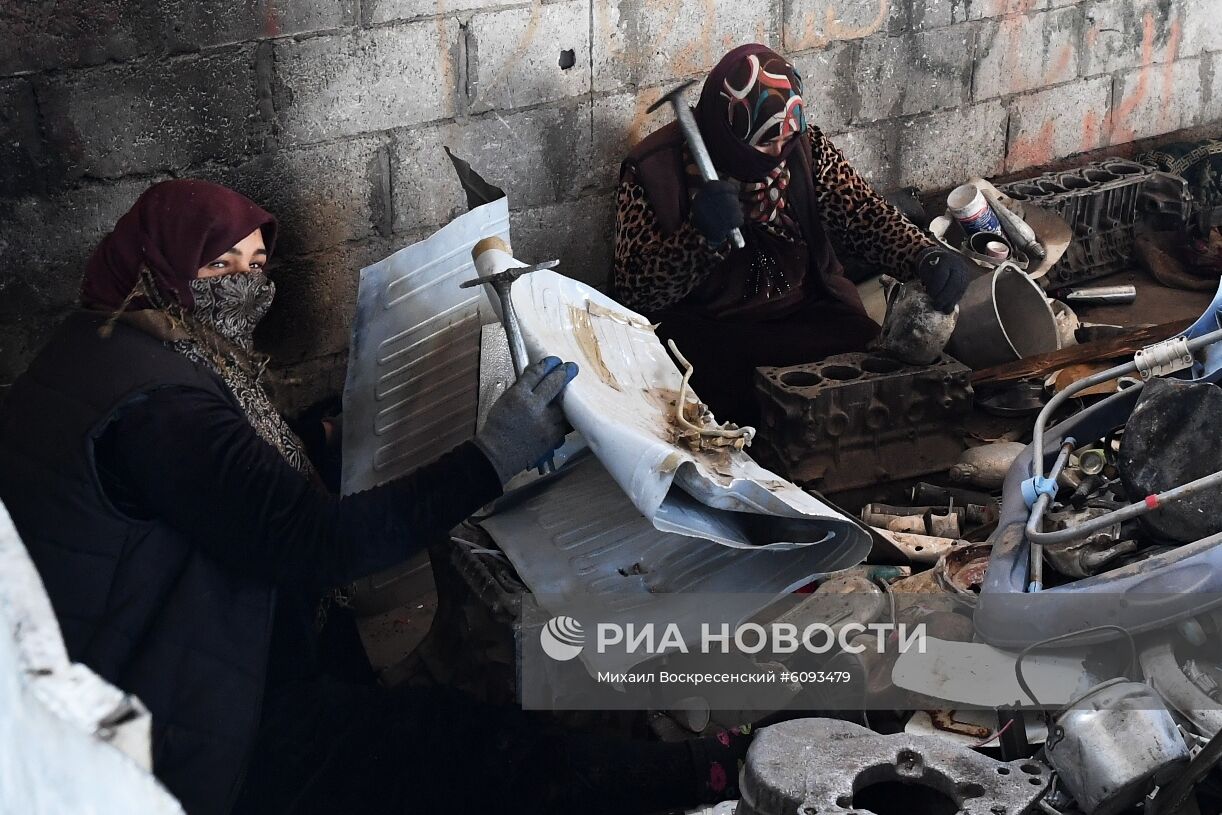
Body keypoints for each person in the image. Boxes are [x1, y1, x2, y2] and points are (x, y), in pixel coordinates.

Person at [0, 180, 752, 814]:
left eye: (256, 264)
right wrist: (491, 459)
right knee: (462, 749)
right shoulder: (163, 407)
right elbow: (319, 543)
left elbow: (215, 490)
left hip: (121, 660)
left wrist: (315, 437)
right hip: (182, 728)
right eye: (219, 263)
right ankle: (702, 776)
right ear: (159, 258)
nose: (244, 283)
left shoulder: (103, 342)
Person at [614, 43, 971, 425]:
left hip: (805, 312)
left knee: (880, 385)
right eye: (768, 141)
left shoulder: (804, 147)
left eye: (787, 137)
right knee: (729, 414)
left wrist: (921, 253)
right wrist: (698, 238)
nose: (780, 152)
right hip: (712, 331)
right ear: (728, 131)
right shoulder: (653, 171)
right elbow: (635, 292)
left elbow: (862, 213)